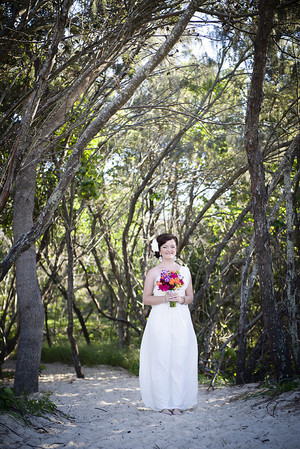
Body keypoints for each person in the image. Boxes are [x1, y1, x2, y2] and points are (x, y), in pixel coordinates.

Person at [139, 233, 198, 415]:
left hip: (180, 317)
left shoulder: (184, 271)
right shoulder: (153, 273)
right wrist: (164, 297)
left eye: (172, 246)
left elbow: (190, 297)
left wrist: (181, 299)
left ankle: (178, 404)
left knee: (179, 359)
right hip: (160, 318)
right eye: (165, 247)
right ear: (159, 250)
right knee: (161, 359)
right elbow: (146, 299)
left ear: (177, 248)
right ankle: (163, 403)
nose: (169, 250)